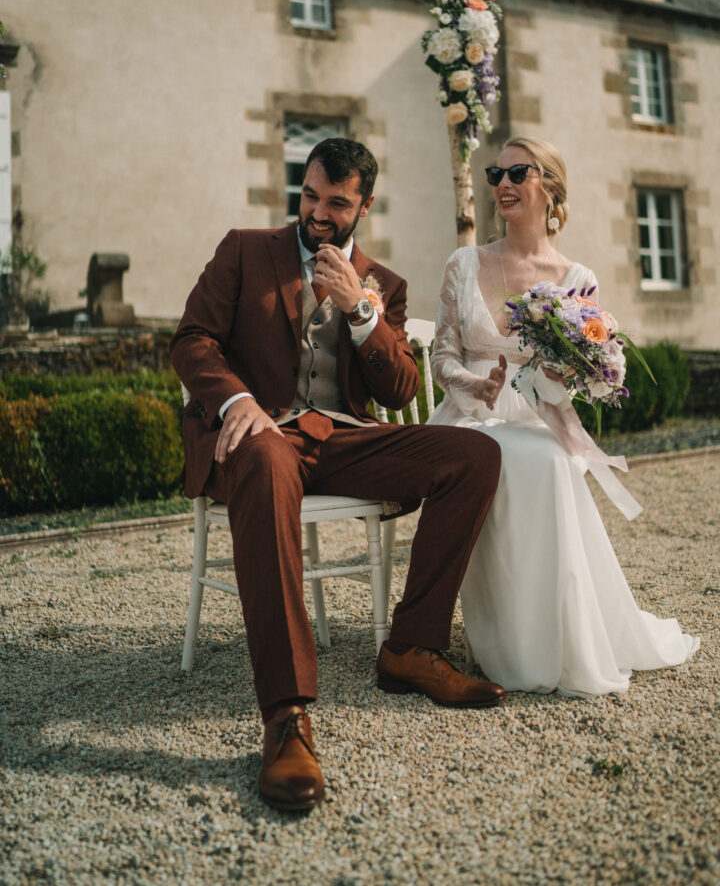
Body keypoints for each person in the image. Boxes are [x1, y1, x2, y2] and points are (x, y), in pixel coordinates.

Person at [170, 137, 506, 813]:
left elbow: (399, 386)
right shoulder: (244, 250)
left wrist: (361, 312)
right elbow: (192, 340)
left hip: (344, 440)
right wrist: (236, 402)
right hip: (259, 437)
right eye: (310, 197)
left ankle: (411, 647)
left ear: (365, 205)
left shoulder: (386, 285)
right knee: (266, 455)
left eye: (337, 203)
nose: (319, 214)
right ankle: (287, 715)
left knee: (474, 456)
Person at [429, 135, 699, 698]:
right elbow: (442, 355)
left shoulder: (577, 278)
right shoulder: (464, 262)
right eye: (494, 175)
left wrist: (563, 377)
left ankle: (552, 639)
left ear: (549, 188)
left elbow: (577, 374)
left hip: (536, 418)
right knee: (517, 460)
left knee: (550, 463)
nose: (501, 185)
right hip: (467, 415)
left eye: (516, 173)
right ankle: (506, 642)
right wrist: (475, 383)